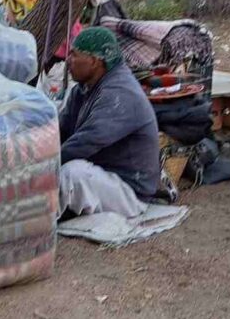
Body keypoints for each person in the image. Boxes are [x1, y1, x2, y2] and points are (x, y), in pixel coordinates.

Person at [57, 27, 161, 218]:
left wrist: (42, 167)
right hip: (101, 174)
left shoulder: (120, 92)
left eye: (74, 55)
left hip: (129, 191)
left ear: (95, 61)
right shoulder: (82, 90)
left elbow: (86, 142)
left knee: (71, 175)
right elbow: (60, 130)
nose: (68, 60)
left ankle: (34, 220)